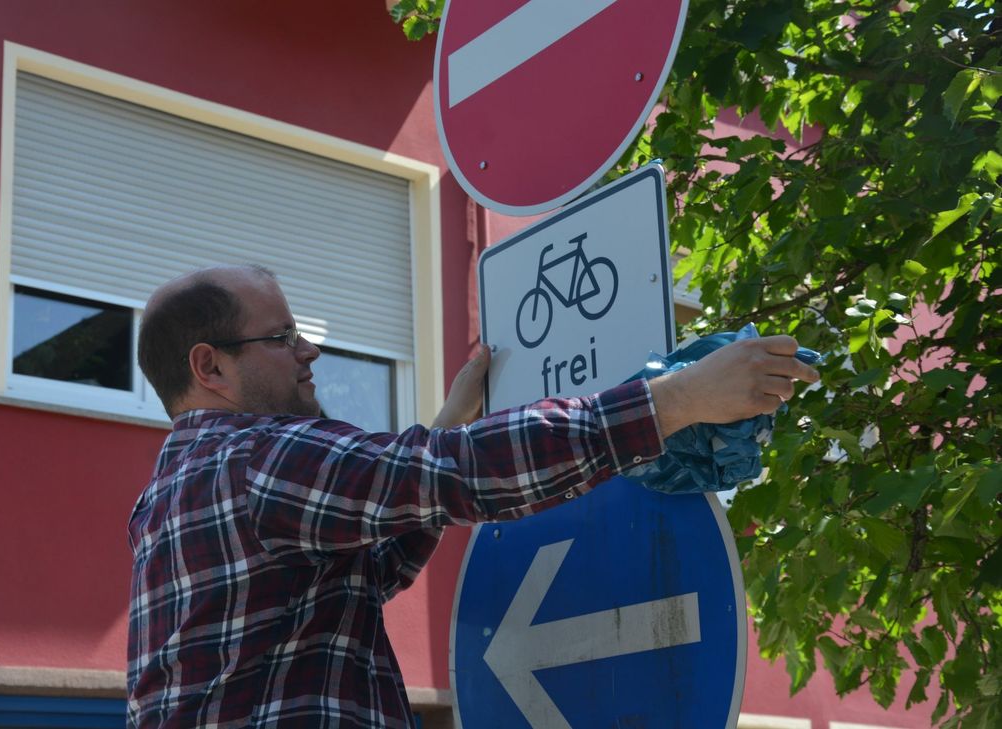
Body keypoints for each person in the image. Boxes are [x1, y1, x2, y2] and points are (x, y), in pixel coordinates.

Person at [126, 264, 819, 728]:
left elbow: (371, 564)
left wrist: (449, 423)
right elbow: (441, 474)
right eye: (282, 336)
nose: (309, 350)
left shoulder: (171, 491)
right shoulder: (251, 460)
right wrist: (676, 399)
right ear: (209, 365)